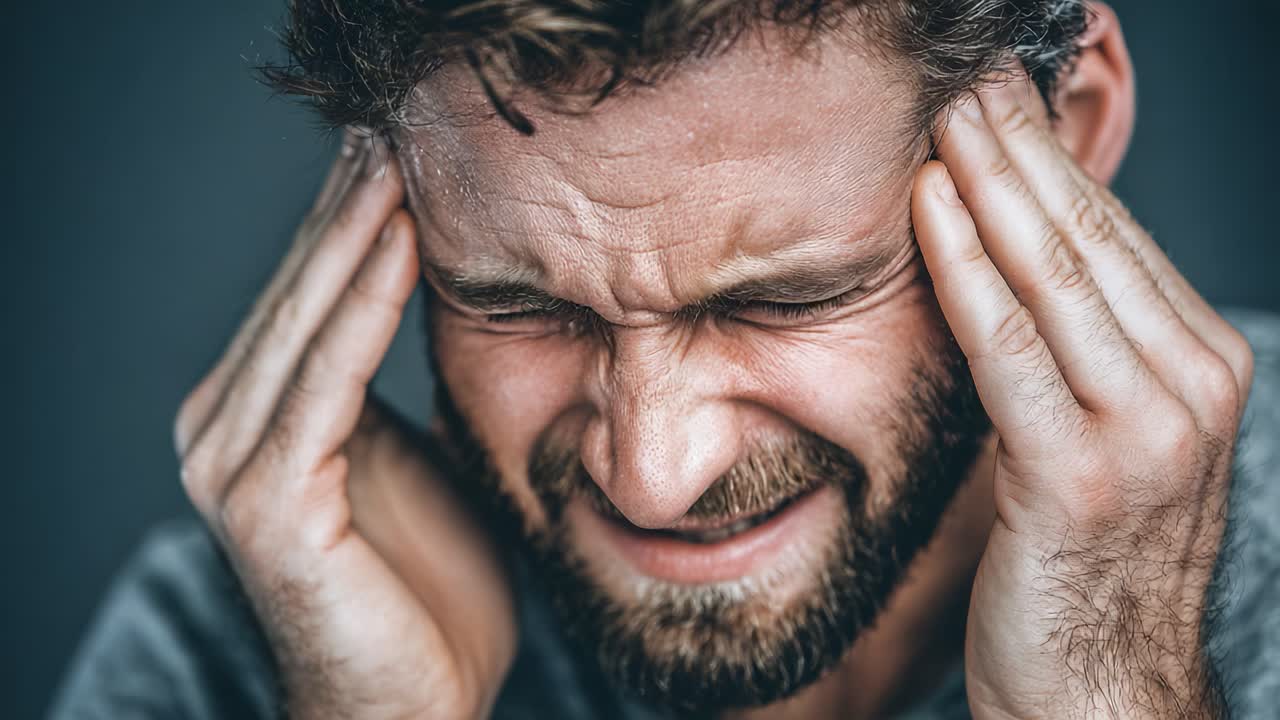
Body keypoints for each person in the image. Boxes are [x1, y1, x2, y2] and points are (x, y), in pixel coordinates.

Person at [52, 0, 1280, 718]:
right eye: (516, 304)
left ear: (1060, 137)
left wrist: (1119, 691)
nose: (651, 475)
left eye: (783, 299)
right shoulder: (236, 641)